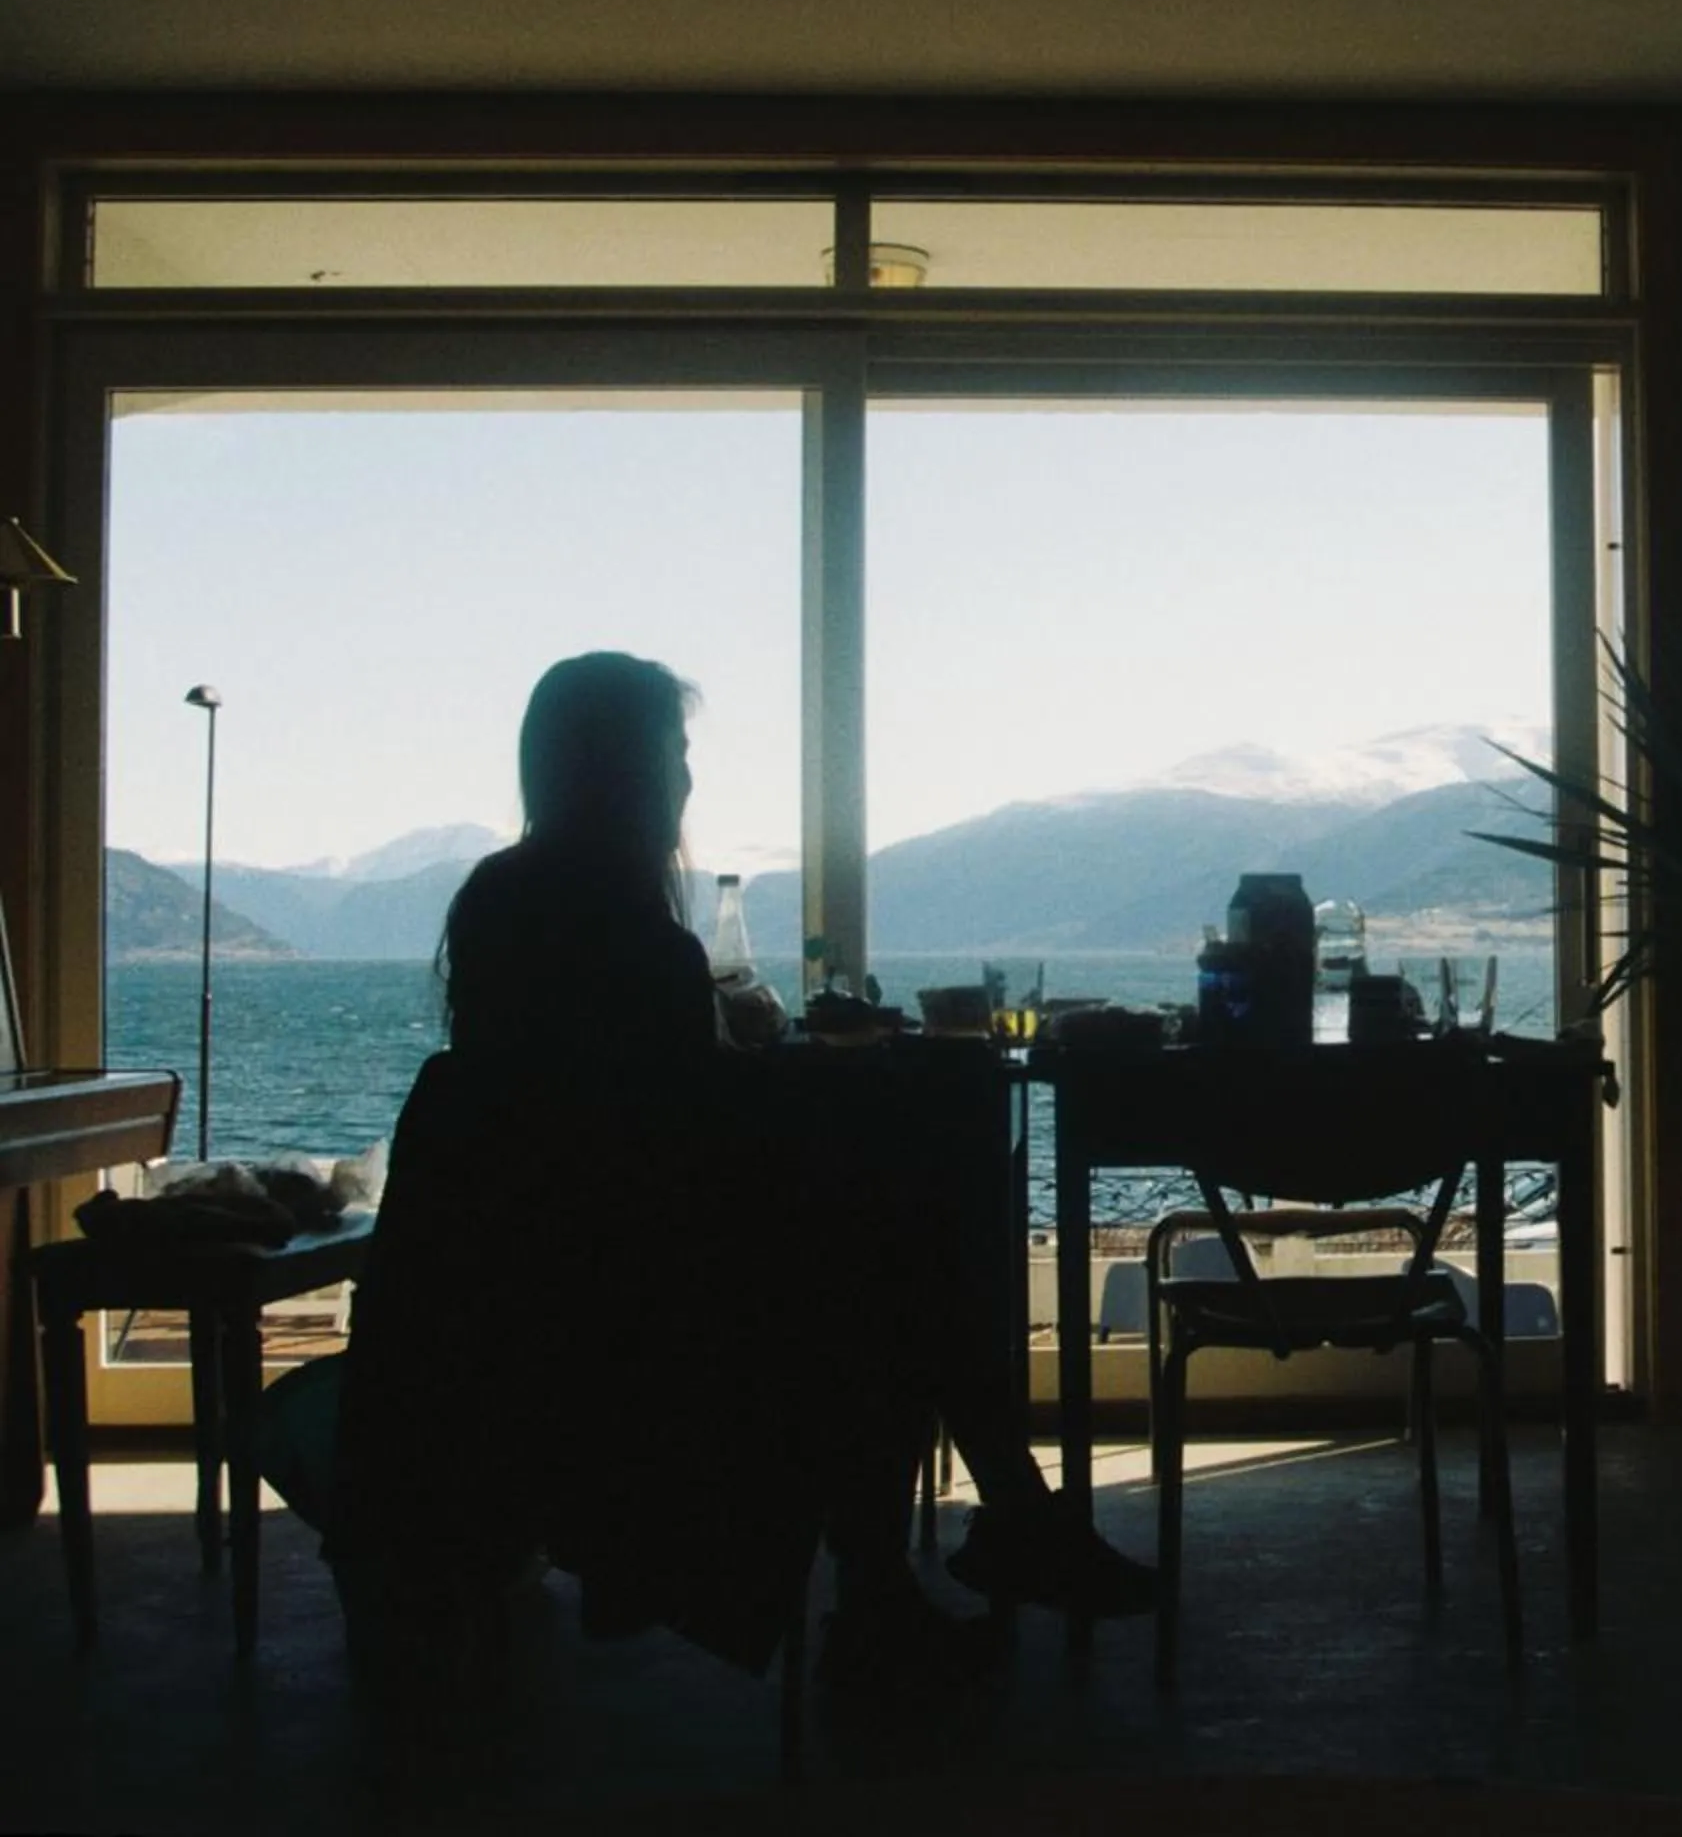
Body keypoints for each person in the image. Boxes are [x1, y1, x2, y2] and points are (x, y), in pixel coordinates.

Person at [333, 651, 1149, 1706]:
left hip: (510, 1328)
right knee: (904, 1257)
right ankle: (944, 1559)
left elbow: (621, 1140)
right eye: (672, 755)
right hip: (621, 1360)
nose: (686, 781)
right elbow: (680, 1154)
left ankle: (941, 1562)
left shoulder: (502, 909)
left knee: (890, 1253)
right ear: (620, 771)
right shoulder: (631, 937)